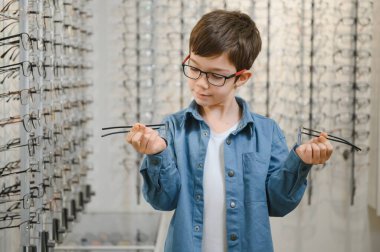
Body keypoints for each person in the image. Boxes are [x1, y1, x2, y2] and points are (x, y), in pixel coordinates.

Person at [126, 9, 333, 252]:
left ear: (242, 78)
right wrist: (156, 154)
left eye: (215, 76)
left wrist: (299, 162)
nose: (201, 83)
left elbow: (278, 204)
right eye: (194, 68)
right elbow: (163, 200)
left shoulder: (267, 132)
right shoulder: (173, 127)